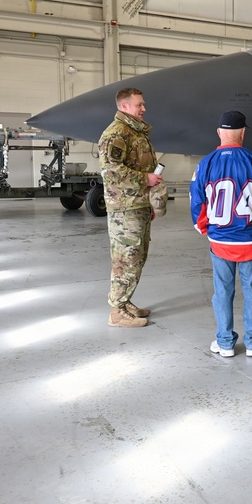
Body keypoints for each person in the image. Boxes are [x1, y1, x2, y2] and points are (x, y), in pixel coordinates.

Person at [190, 110, 252, 358]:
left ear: (219, 132)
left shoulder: (204, 164)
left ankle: (224, 343)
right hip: (250, 240)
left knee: (222, 290)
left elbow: (197, 203)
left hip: (219, 240)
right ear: (243, 133)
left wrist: (204, 229)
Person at [98, 87, 163, 328]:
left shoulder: (135, 131)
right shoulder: (117, 133)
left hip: (137, 204)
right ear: (124, 106)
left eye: (143, 104)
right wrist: (146, 180)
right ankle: (117, 311)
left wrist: (149, 200)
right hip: (125, 209)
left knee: (137, 258)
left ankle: (125, 302)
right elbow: (111, 172)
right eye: (139, 105)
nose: (144, 109)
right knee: (126, 259)